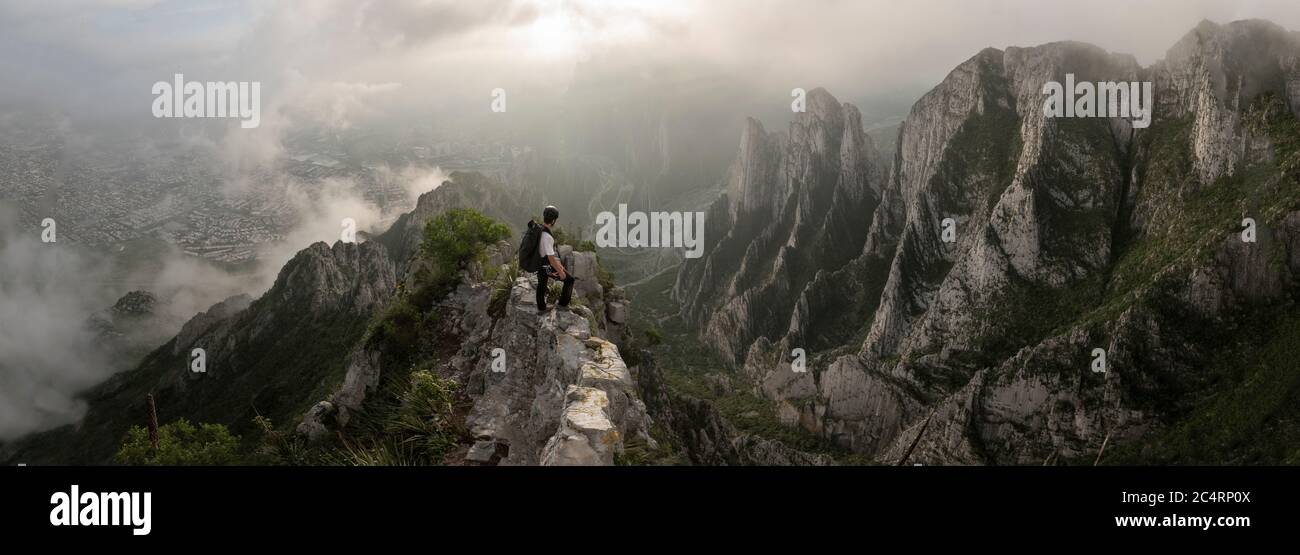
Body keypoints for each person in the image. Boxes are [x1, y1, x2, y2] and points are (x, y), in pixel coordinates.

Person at [536, 205, 575, 312]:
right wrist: (560, 271)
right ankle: (562, 305)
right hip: (546, 265)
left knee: (542, 283)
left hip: (538, 263)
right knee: (569, 280)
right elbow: (551, 259)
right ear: (553, 221)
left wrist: (558, 265)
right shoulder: (547, 237)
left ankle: (541, 307)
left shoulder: (538, 229)